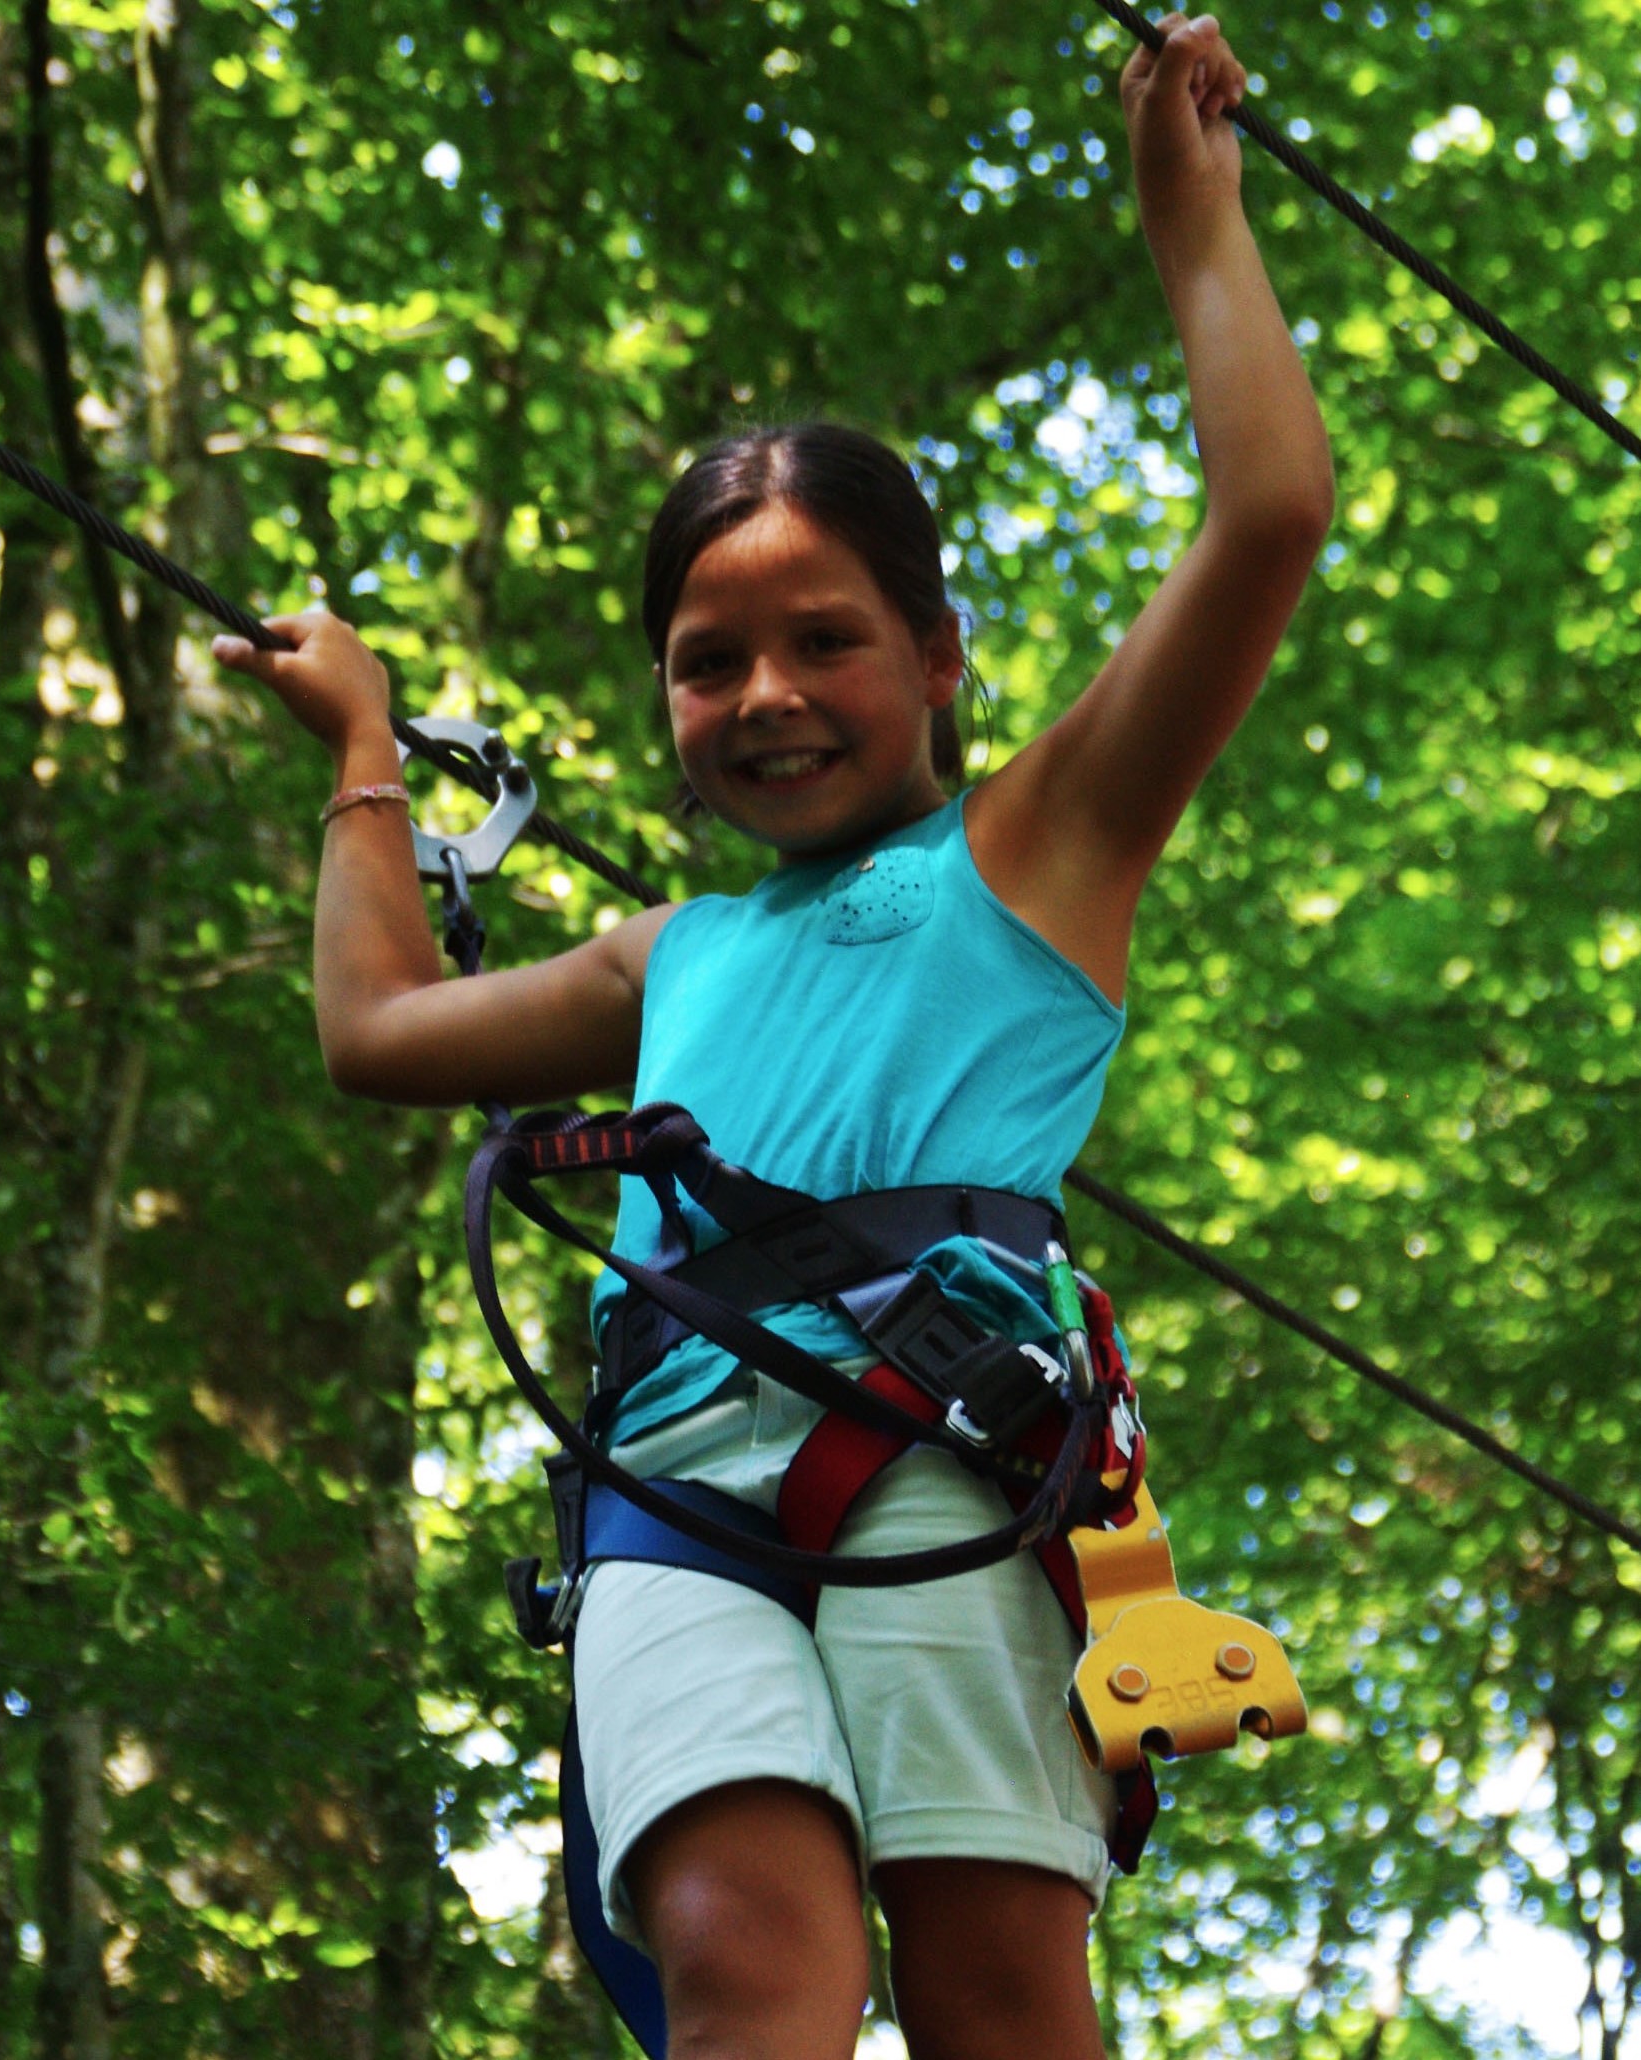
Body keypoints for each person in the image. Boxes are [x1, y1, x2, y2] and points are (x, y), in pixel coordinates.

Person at [215, 13, 1332, 2058]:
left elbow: (1265, 513)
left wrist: (1197, 219)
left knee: (999, 1990)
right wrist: (366, 753)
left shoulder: (1039, 844)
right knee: (746, 1971)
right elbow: (375, 1026)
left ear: (933, 657)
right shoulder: (668, 953)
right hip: (671, 1481)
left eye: (824, 641)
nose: (765, 697)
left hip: (941, 1449)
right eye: (705, 662)